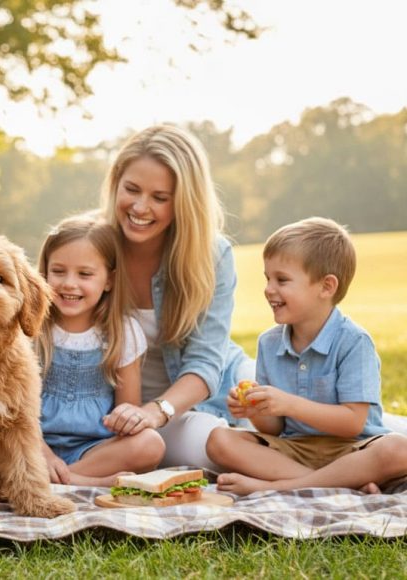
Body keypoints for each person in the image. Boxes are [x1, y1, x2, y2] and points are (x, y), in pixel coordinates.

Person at [207, 217, 407, 495]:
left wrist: (289, 404)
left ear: (326, 287)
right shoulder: (269, 343)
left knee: (399, 448)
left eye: (282, 280)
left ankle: (282, 486)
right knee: (219, 440)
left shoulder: (354, 342)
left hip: (353, 449)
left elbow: (352, 423)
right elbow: (274, 429)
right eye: (267, 278)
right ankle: (345, 485)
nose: (269, 289)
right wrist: (256, 411)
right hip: (295, 449)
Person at [99, 124, 253, 472]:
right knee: (219, 448)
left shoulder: (211, 255)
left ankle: (356, 461)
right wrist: (145, 415)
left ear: (184, 201)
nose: (140, 207)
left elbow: (205, 362)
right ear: (115, 184)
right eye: (132, 189)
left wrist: (157, 411)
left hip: (207, 393)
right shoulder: (88, 246)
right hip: (141, 419)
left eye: (160, 197)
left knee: (291, 406)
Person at [37, 215, 165, 487]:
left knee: (150, 443)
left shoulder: (123, 331)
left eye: (84, 274)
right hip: (33, 444)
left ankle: (63, 481)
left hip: (94, 450)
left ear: (109, 280)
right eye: (58, 271)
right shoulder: (31, 329)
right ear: (44, 272)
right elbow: (13, 412)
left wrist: (127, 417)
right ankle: (83, 482)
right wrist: (44, 456)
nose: (69, 283)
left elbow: (127, 409)